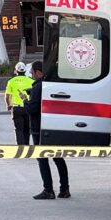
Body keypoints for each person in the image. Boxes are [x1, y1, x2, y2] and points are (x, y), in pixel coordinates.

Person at [24, 61, 70, 200]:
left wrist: (25, 100)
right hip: (53, 125)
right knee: (58, 157)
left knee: (42, 159)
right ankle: (65, 189)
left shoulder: (38, 87)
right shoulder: (52, 84)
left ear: (39, 72)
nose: (32, 75)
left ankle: (48, 190)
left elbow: (32, 109)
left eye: (32, 72)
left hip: (39, 128)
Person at [5, 62, 34, 145]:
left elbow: (7, 96)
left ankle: (20, 147)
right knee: (27, 129)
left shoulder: (11, 81)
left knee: (18, 129)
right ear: (25, 71)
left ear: (16, 71)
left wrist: (9, 105)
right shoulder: (31, 81)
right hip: (27, 107)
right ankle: (26, 145)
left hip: (16, 108)